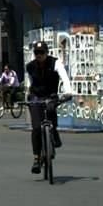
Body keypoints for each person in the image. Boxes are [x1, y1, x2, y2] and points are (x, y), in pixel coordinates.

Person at [24, 41, 73, 174]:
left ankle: (54, 132)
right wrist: (27, 96)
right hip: (36, 96)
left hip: (50, 95)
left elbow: (64, 78)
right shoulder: (30, 66)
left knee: (51, 110)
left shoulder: (55, 63)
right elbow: (29, 83)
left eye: (41, 52)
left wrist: (68, 92)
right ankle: (36, 158)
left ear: (47, 53)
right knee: (36, 128)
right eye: (36, 53)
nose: (39, 55)